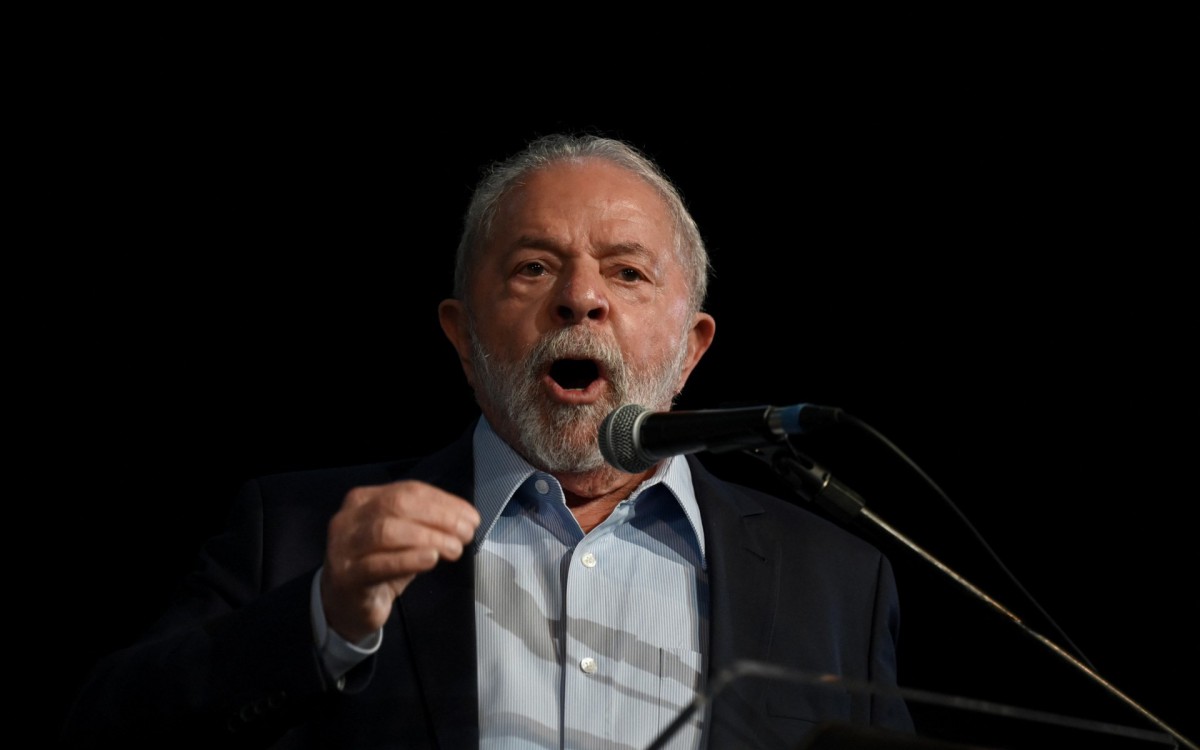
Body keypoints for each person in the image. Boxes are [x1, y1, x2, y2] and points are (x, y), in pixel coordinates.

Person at [61, 133, 915, 749]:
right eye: (534, 267)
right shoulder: (292, 533)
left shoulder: (837, 581)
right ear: (463, 338)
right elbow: (106, 730)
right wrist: (323, 618)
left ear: (691, 349)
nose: (581, 299)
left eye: (626, 271)